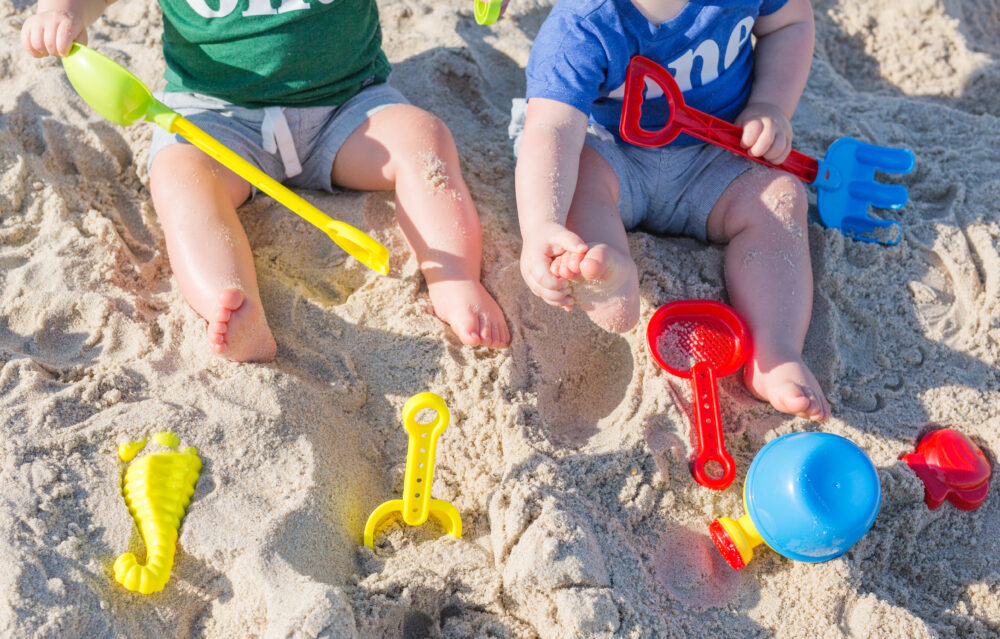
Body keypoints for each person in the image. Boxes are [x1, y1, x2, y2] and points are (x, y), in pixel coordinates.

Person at [21, 0, 510, 362]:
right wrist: (65, 10)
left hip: (347, 104)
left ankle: (454, 278)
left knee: (423, 141)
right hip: (215, 118)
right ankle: (230, 300)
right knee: (180, 179)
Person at [514, 0, 830, 421]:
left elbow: (789, 22)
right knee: (576, 188)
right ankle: (608, 278)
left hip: (715, 155)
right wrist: (542, 224)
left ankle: (775, 349)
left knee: (780, 197)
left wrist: (772, 105)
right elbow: (552, 127)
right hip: (612, 153)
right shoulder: (585, 23)